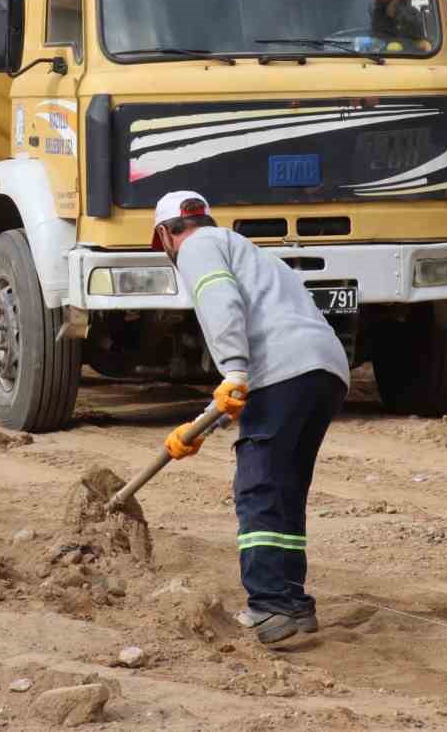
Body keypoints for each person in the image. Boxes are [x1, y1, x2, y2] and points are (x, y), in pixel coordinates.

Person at [153, 190, 350, 646]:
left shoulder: (198, 247)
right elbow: (261, 350)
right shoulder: (256, 256)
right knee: (285, 486)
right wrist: (202, 425)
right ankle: (293, 603)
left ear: (165, 234)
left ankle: (268, 606)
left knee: (258, 485)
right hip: (324, 371)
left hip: (282, 370)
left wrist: (233, 367)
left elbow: (222, 303)